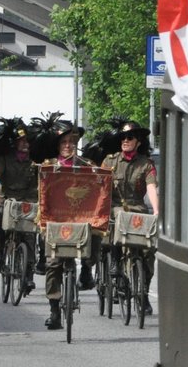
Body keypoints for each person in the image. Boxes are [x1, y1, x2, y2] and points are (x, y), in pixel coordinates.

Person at [39, 120, 97, 330]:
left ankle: (87, 270)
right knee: (53, 264)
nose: (68, 145)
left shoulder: (85, 165)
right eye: (64, 142)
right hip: (56, 222)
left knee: (98, 233)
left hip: (79, 220)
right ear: (58, 145)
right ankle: (55, 310)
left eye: (72, 141)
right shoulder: (49, 165)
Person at [102, 120, 160, 313]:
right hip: (115, 209)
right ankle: (115, 260)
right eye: (123, 137)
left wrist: (157, 211)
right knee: (119, 215)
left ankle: (142, 293)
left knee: (148, 253)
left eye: (130, 137)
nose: (125, 140)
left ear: (138, 141)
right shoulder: (110, 161)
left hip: (138, 210)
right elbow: (100, 188)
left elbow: (151, 188)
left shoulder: (146, 164)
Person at [0, 123, 38, 296]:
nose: (25, 144)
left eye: (26, 141)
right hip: (7, 197)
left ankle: (29, 273)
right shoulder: (5, 158)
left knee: (30, 234)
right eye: (21, 141)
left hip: (28, 200)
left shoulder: (35, 159)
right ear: (15, 143)